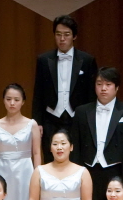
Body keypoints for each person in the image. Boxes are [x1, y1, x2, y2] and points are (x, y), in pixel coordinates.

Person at [69, 67, 123, 200]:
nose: (103, 88)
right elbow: (76, 146)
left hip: (117, 170)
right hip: (89, 169)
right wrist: (75, 173)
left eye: (108, 84)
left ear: (116, 88)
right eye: (99, 84)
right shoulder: (82, 111)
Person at [32, 15, 98, 163]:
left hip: (77, 119)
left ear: (74, 36)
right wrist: (37, 122)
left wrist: (90, 122)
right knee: (50, 160)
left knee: (76, 161)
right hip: (51, 119)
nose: (62, 39)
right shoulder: (44, 60)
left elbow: (91, 94)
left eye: (66, 34)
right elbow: (38, 93)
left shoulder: (87, 60)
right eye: (58, 34)